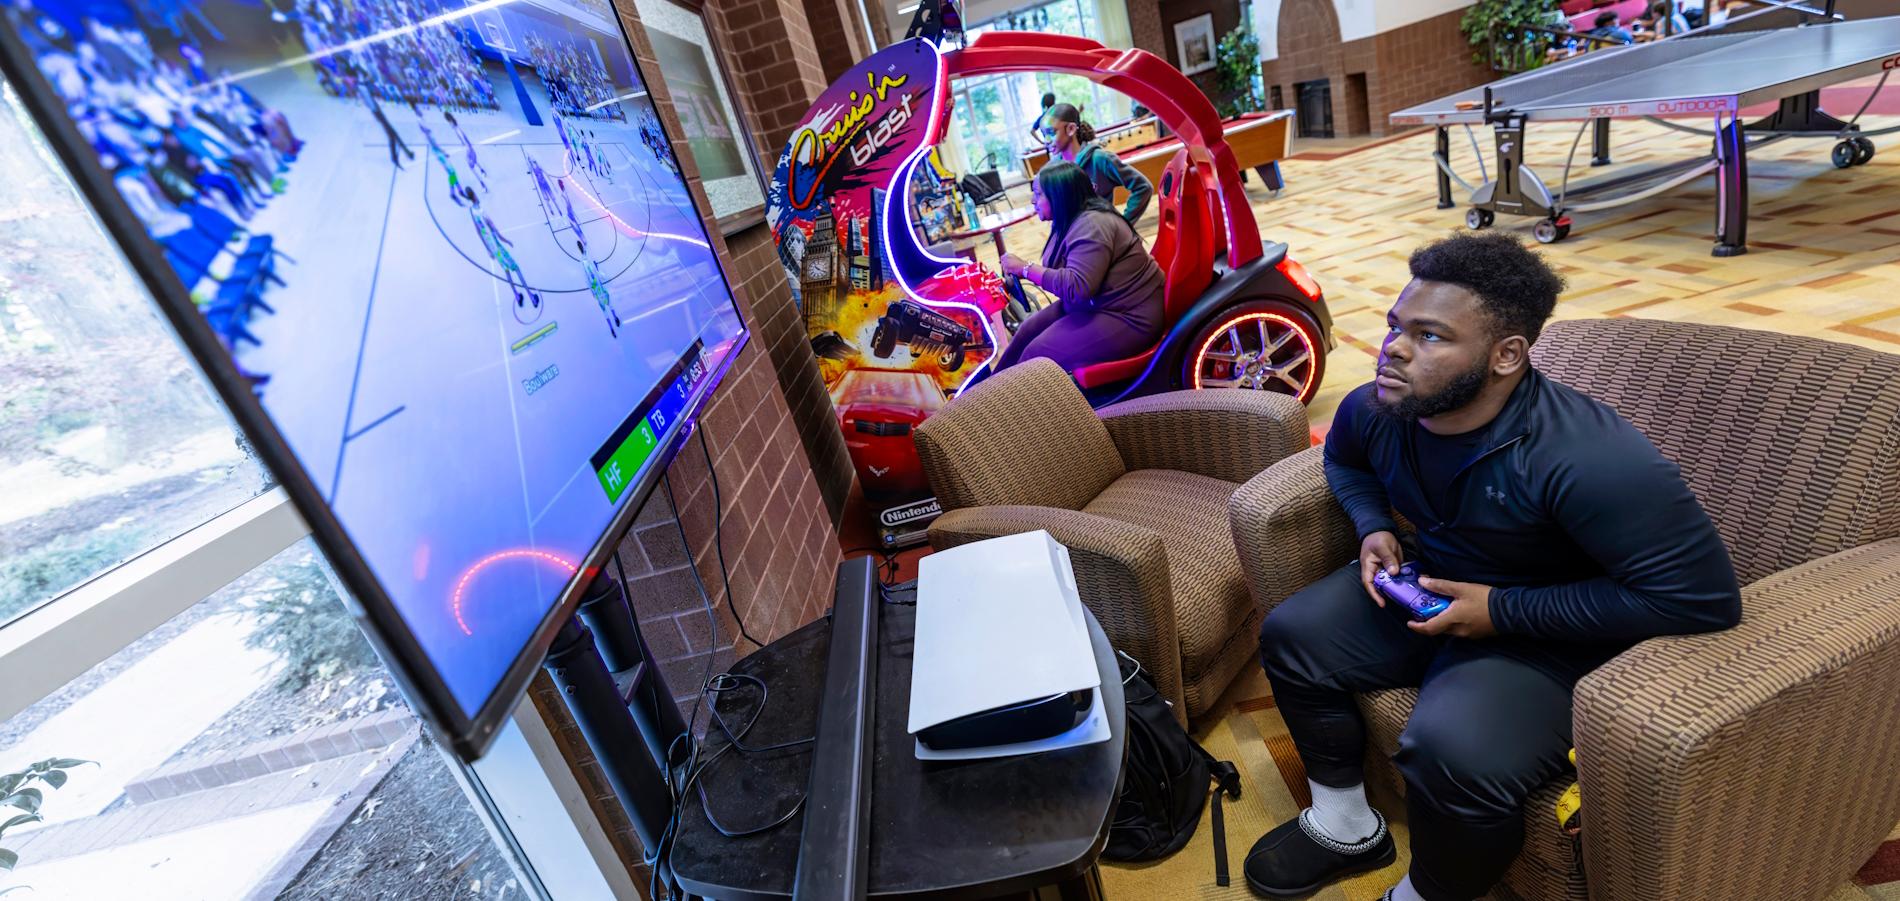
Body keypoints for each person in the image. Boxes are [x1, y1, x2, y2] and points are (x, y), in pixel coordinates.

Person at [1242, 232, 1741, 901]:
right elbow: (1347, 458)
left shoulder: (1589, 458)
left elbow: (1703, 600)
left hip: (1553, 633)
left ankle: (1428, 893)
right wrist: (1374, 524)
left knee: (1453, 749)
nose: (1393, 347)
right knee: (1291, 634)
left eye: (1430, 335)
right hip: (1435, 583)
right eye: (1396, 325)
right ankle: (1346, 820)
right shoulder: (1382, 406)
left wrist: (1501, 610)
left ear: (1506, 354)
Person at [991, 161, 1164, 374]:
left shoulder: (1092, 224)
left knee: (1036, 356)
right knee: (1026, 332)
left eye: (1038, 194)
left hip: (1130, 315)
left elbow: (1078, 287)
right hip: (1099, 304)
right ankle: (982, 398)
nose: (1032, 200)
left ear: (1060, 196)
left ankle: (1011, 405)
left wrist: (1026, 269)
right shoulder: (1069, 220)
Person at [1042, 103, 1152, 224]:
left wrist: (1123, 224)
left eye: (1051, 133)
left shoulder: (1099, 159)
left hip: (1102, 237)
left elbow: (1142, 187)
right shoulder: (1053, 167)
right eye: (1044, 134)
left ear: (1071, 129)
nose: (1046, 140)